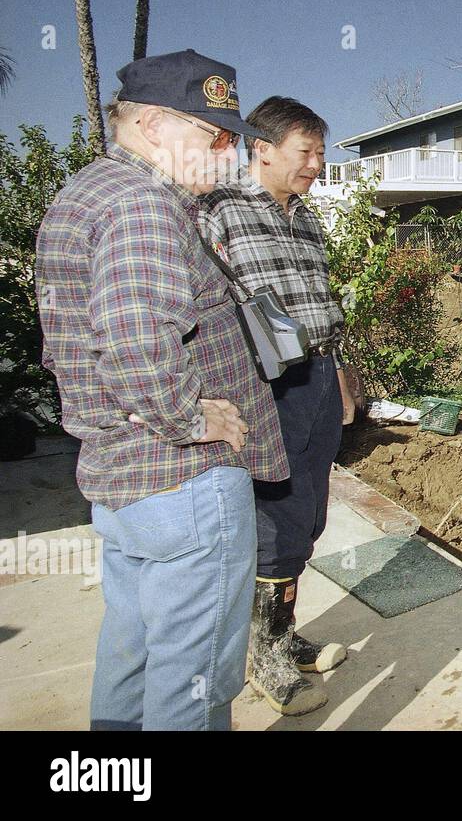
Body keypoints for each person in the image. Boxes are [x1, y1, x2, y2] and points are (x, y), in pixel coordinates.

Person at [35, 49, 289, 730]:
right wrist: (194, 417)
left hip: (126, 480)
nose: (230, 153)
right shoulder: (145, 204)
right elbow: (138, 341)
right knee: (194, 685)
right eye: (215, 135)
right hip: (184, 482)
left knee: (133, 654)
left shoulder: (88, 193)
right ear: (151, 125)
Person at [199, 97, 351, 716]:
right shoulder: (219, 212)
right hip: (265, 387)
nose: (317, 164)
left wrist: (339, 374)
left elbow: (318, 304)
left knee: (309, 516)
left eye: (320, 152)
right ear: (261, 148)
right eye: (304, 152)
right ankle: (259, 655)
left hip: (316, 377)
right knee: (275, 521)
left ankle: (281, 636)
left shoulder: (307, 220)